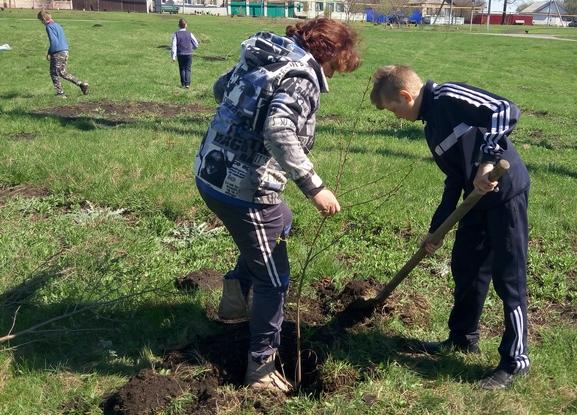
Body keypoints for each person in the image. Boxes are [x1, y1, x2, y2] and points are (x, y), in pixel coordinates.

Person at [193, 18, 360, 393]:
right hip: (246, 191)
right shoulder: (303, 75)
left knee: (281, 219)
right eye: (338, 64)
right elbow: (278, 130)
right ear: (329, 54)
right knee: (274, 278)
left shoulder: (266, 56)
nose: (335, 74)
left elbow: (221, 89)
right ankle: (261, 366)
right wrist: (314, 186)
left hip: (209, 171)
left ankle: (235, 301)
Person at [370, 65, 531, 390]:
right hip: (474, 201)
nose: (396, 118)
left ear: (406, 96)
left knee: (508, 278)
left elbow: (505, 109)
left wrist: (488, 159)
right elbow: (455, 178)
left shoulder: (448, 97)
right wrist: (437, 229)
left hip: (504, 195)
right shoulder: (433, 127)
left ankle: (516, 361)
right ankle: (462, 338)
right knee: (466, 269)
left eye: (394, 110)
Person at [37, 10, 89, 98]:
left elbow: (53, 41)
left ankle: (60, 93)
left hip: (57, 52)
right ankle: (82, 84)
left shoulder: (49, 27)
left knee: (54, 73)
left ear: (43, 19)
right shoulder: (58, 25)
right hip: (65, 51)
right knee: (62, 72)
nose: (41, 23)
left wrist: (50, 53)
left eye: (40, 21)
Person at [171, 18, 199, 89]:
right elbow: (196, 44)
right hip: (189, 53)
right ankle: (187, 84)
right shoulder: (190, 34)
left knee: (182, 68)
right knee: (188, 69)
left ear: (178, 25)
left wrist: (173, 57)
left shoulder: (176, 34)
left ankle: (183, 83)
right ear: (186, 25)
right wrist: (192, 48)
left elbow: (174, 45)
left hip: (180, 53)